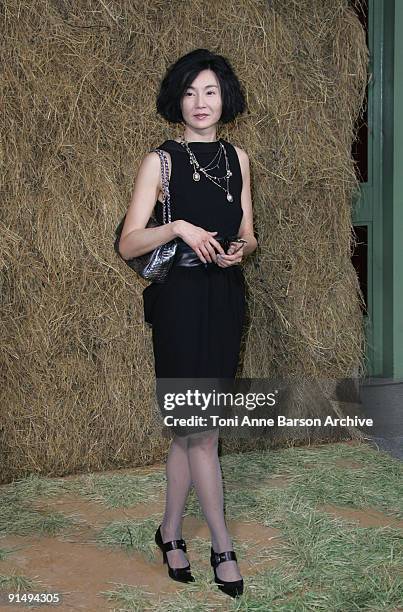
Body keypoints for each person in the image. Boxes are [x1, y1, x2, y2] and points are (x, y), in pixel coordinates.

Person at [118, 48, 257, 599]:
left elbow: (248, 230)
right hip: (177, 306)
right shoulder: (162, 162)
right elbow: (128, 243)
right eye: (190, 93)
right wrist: (176, 227)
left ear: (225, 98)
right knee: (202, 432)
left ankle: (170, 532)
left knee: (189, 431)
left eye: (210, 92)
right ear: (177, 99)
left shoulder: (238, 159)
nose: (200, 103)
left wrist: (240, 251)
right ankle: (222, 545)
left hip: (224, 300)